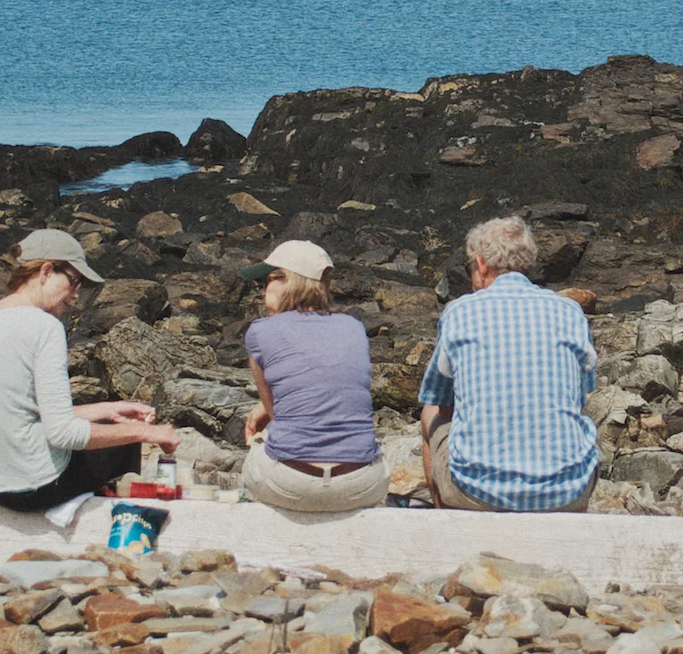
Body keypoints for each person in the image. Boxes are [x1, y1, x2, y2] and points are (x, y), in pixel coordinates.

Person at [0, 228, 182, 513]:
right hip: (28, 487)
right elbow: (63, 434)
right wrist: (146, 433)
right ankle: (95, 515)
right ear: (46, 271)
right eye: (74, 282)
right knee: (122, 441)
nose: (75, 295)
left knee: (111, 424)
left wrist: (106, 409)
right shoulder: (44, 327)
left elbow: (15, 412)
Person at [418, 215, 599, 512]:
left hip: (477, 491)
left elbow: (439, 399)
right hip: (567, 493)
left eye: (470, 267)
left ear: (482, 265)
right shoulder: (569, 311)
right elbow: (579, 397)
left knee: (430, 413)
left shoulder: (459, 312)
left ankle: (446, 520)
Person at [238, 240, 386, 512]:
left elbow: (275, 414)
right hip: (361, 483)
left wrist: (265, 413)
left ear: (291, 281)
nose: (262, 291)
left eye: (268, 280)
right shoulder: (354, 327)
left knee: (259, 444)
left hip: (292, 484)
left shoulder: (260, 332)